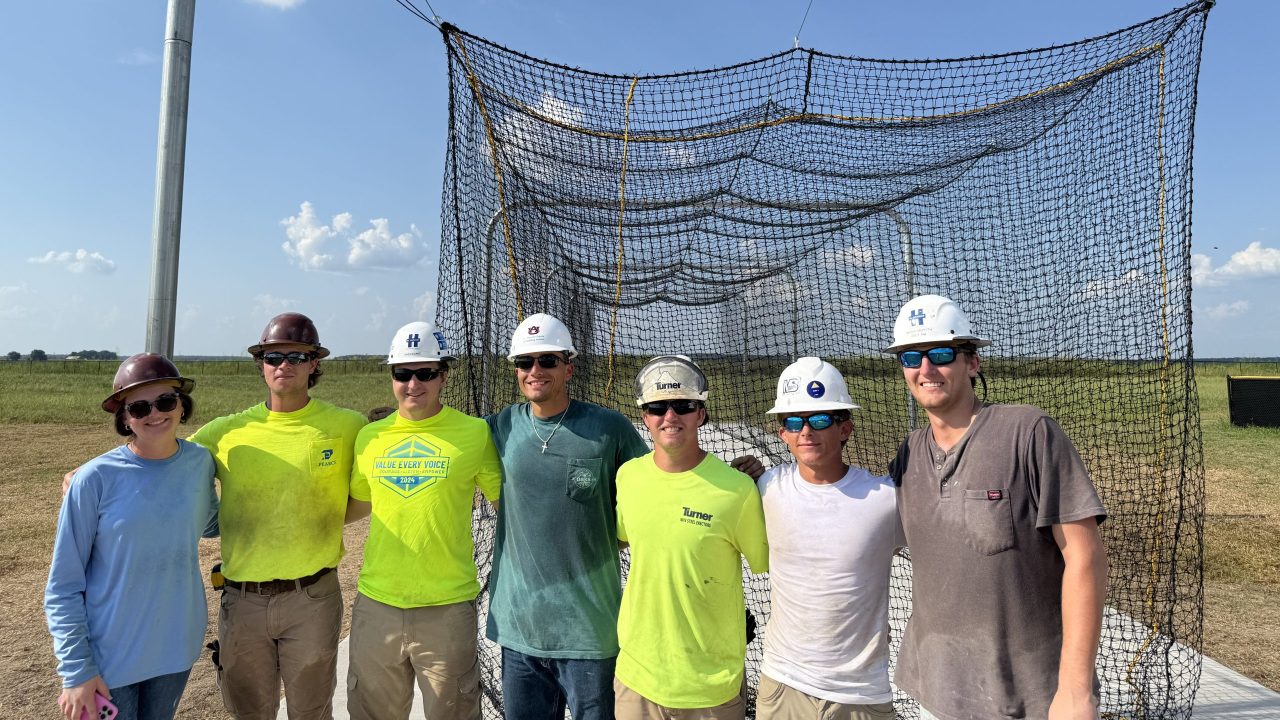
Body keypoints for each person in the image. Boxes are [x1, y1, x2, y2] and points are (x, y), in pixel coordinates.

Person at [884, 294, 1108, 720]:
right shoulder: (909, 453)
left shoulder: (1027, 432)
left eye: (942, 354)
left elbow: (1085, 557)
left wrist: (1076, 691)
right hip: (937, 688)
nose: (926, 370)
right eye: (911, 357)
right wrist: (760, 478)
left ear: (972, 362)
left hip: (1030, 697)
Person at [191, 312, 366, 720]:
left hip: (313, 597)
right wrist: (93, 469)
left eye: (295, 356)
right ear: (261, 364)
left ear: (314, 363)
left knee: (311, 710)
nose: (283, 365)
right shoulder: (225, 432)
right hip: (243, 599)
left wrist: (319, 520)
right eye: (273, 357)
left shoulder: (346, 426)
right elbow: (161, 459)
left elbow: (377, 479)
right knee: (250, 710)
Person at [484, 313, 650, 720]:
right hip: (520, 630)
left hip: (589, 632)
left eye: (547, 361)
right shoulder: (500, 427)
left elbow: (657, 486)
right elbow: (444, 442)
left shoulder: (607, 428)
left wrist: (728, 472)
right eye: (525, 362)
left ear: (569, 367)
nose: (535, 371)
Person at [45, 354, 218, 720]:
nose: (155, 413)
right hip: (111, 660)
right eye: (139, 407)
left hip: (176, 648)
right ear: (125, 419)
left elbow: (211, 524)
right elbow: (63, 586)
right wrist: (77, 671)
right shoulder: (93, 480)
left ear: (182, 406)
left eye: (166, 401)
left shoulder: (200, 463)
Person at [344, 321, 501, 720]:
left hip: (447, 608)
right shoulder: (370, 438)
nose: (413, 383)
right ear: (392, 376)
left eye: (426, 373)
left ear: (443, 376)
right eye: (403, 373)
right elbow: (360, 503)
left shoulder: (474, 433)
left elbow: (509, 504)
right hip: (377, 604)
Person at [613, 355, 769, 719]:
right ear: (644, 415)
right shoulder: (628, 477)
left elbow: (774, 565)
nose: (670, 416)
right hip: (638, 680)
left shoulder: (737, 490)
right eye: (657, 407)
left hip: (709, 685)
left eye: (683, 405)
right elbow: (623, 535)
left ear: (700, 413)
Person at [755, 357, 902, 720]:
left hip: (860, 694)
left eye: (820, 419)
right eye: (794, 421)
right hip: (784, 685)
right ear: (782, 434)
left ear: (845, 428)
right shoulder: (764, 488)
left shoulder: (885, 499)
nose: (807, 431)